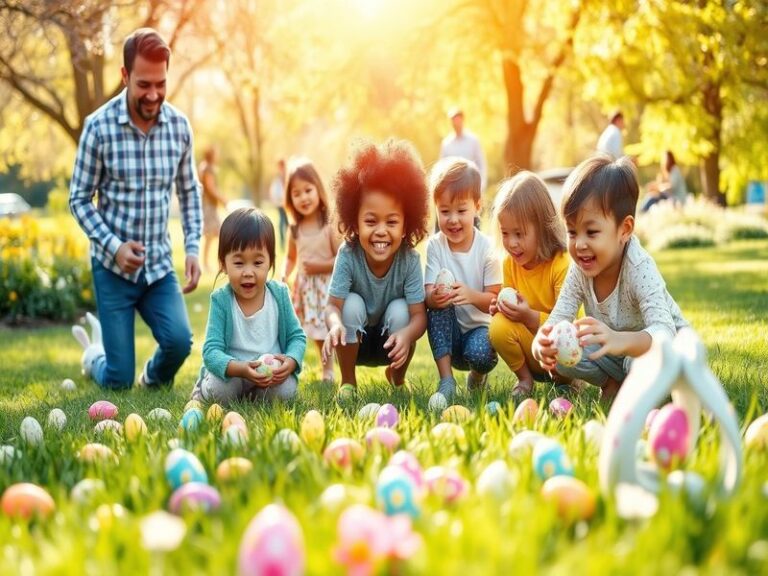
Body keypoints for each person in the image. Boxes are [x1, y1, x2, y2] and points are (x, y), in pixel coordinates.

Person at [69, 28, 201, 390]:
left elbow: (189, 192)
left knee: (179, 343)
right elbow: (78, 199)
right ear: (125, 76)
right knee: (116, 380)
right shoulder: (98, 128)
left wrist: (192, 248)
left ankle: (151, 380)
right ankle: (94, 356)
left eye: (161, 84)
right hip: (112, 270)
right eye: (144, 84)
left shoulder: (179, 127)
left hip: (158, 267)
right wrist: (115, 246)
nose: (154, 94)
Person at [532, 156, 688, 402]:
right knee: (564, 353)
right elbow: (556, 321)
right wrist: (541, 345)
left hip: (662, 352)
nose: (580, 244)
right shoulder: (580, 268)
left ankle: (635, 387)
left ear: (624, 230)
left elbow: (664, 333)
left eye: (591, 232)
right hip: (615, 354)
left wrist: (618, 340)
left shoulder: (639, 266)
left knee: (639, 365)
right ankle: (612, 383)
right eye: (572, 232)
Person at [321, 139, 430, 401]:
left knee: (401, 309)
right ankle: (348, 383)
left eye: (391, 222)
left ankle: (397, 378)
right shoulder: (348, 255)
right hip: (353, 343)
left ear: (405, 226)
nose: (381, 230)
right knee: (352, 303)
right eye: (371, 221)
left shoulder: (410, 260)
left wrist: (406, 335)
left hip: (391, 345)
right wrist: (334, 325)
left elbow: (419, 317)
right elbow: (332, 307)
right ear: (355, 222)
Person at [193, 208, 306, 404]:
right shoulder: (221, 300)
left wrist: (290, 361)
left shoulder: (279, 294)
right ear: (223, 264)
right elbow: (211, 351)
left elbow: (296, 337)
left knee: (286, 390)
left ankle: (255, 397)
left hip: (268, 375)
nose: (248, 272)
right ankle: (201, 391)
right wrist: (240, 368)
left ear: (270, 263)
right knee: (220, 391)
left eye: (257, 262)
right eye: (238, 263)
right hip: (233, 375)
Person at [487, 171, 571, 399]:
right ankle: (525, 379)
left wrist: (528, 316)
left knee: (567, 335)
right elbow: (511, 302)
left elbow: (570, 323)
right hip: (532, 352)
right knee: (498, 325)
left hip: (560, 354)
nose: (511, 243)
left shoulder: (560, 264)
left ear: (542, 227)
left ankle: (568, 382)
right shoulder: (510, 263)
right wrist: (503, 310)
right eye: (505, 233)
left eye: (519, 234)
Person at [424, 157, 500, 404]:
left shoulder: (487, 249)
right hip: (448, 336)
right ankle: (446, 380)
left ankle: (477, 377)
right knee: (436, 310)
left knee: (481, 354)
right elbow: (427, 294)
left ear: (477, 207)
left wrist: (471, 295)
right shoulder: (436, 246)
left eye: (461, 210)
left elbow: (494, 300)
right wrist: (434, 297)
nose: (453, 219)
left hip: (478, 333)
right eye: (445, 211)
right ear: (436, 209)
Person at [281, 157, 340, 384]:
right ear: (290, 199)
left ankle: (330, 368)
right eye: (297, 194)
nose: (303, 197)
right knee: (313, 331)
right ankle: (320, 365)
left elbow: (341, 259)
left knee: (326, 328)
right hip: (306, 290)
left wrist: (319, 266)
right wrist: (285, 274)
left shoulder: (328, 225)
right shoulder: (294, 229)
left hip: (327, 287)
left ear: (318, 189)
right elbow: (291, 256)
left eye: (308, 190)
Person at [440, 107, 487, 192]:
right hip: (452, 187)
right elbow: (442, 166)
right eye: (453, 120)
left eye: (457, 119)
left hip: (472, 184)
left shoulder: (473, 140)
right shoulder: (446, 143)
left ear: (462, 120)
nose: (455, 123)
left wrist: (482, 183)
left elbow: (481, 163)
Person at [199, 146, 227, 273]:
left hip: (207, 205)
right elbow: (211, 188)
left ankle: (209, 263)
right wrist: (222, 199)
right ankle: (218, 263)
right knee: (217, 233)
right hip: (209, 206)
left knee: (212, 235)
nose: (218, 156)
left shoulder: (203, 166)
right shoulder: (208, 168)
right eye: (216, 154)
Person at [269, 158, 289, 248]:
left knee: (287, 222)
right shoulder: (278, 178)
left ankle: (288, 242)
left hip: (286, 203)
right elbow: (274, 191)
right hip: (281, 203)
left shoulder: (286, 176)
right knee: (283, 222)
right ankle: (283, 242)